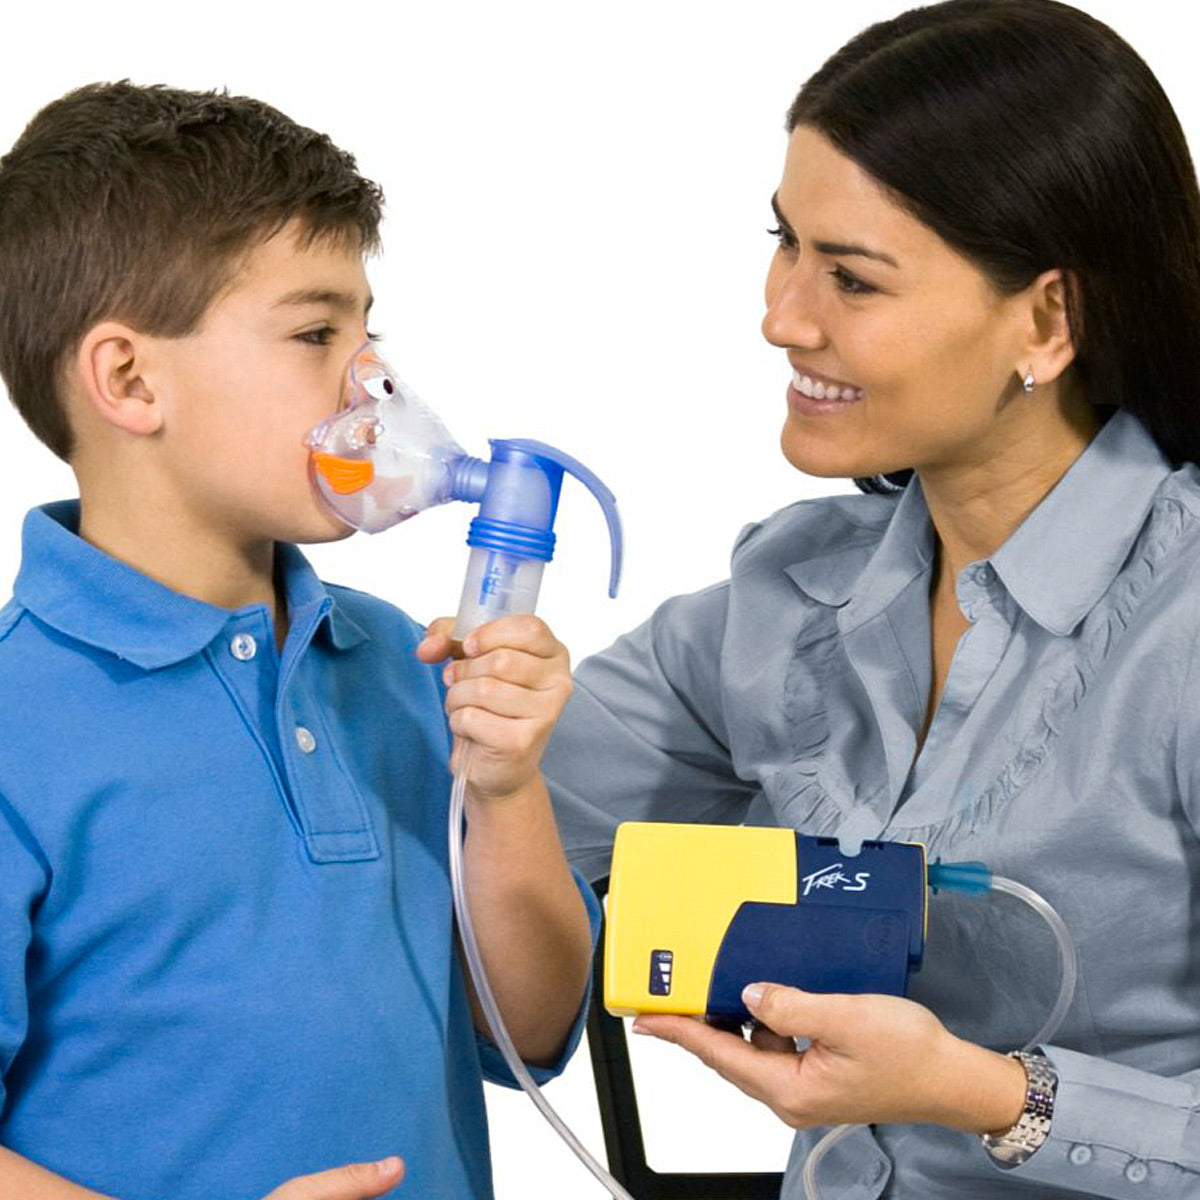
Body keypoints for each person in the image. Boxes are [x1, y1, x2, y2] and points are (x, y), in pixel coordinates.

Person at [540, 1, 1200, 1196]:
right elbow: (462, 832)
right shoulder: (784, 600)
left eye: (850, 276)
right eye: (785, 241)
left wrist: (985, 1093)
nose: (781, 315)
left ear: (1047, 319)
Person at [0, 82, 598, 1200]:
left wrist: (507, 788)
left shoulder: (392, 662)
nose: (371, 383)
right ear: (130, 379)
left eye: (373, 337)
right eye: (317, 332)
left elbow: (529, 1025)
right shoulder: (13, 722)